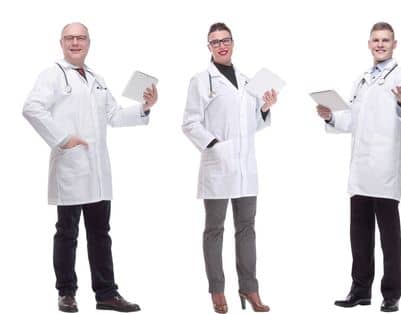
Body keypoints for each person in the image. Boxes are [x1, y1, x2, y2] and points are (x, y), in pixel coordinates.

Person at [22, 22, 154, 314]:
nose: (75, 42)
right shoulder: (52, 75)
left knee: (100, 233)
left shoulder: (97, 78)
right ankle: (66, 293)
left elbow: (115, 116)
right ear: (61, 43)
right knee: (67, 233)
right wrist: (62, 138)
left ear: (89, 42)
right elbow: (31, 108)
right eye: (69, 38)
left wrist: (144, 107)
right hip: (70, 169)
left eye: (80, 37)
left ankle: (106, 294)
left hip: (96, 172)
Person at [317, 22, 401, 313]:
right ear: (369, 44)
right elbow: (351, 120)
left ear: (394, 44)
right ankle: (360, 289)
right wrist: (329, 116)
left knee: (389, 236)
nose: (380, 44)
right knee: (359, 233)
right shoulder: (361, 80)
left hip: (386, 165)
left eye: (385, 40)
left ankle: (392, 293)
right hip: (360, 168)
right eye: (376, 40)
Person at [181, 22, 275, 314]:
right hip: (218, 167)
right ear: (208, 47)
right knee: (215, 229)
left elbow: (252, 124)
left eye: (225, 40)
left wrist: (265, 107)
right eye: (215, 42)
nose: (221, 45)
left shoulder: (249, 81)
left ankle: (249, 287)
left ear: (233, 43)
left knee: (247, 228)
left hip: (246, 167)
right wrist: (214, 146)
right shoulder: (200, 81)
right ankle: (217, 290)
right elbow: (189, 122)